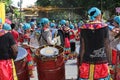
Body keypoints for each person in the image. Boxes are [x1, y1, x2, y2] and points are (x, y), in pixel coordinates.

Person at [77, 7, 112, 80]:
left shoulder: (83, 27)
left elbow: (82, 47)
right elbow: (107, 46)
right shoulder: (104, 27)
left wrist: (80, 62)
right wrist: (109, 61)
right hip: (101, 61)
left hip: (87, 61)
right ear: (99, 15)